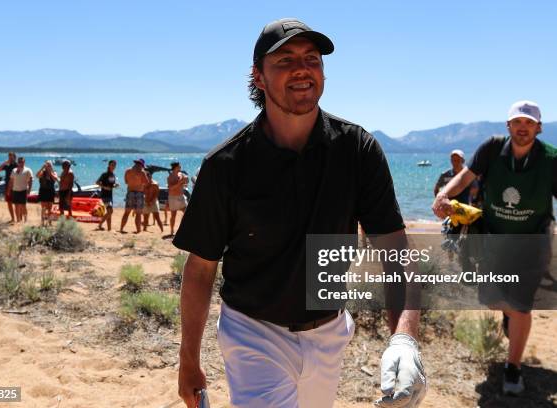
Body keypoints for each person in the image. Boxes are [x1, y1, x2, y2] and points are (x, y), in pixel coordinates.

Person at [174, 18, 425, 408]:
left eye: (312, 58)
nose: (302, 68)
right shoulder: (226, 164)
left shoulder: (357, 150)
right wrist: (188, 360)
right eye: (285, 60)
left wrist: (405, 339)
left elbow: (394, 250)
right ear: (258, 77)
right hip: (252, 332)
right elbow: (201, 268)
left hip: (330, 331)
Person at [432, 100, 555, 396]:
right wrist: (444, 196)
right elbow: (465, 176)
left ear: (538, 128)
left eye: (529, 123)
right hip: (493, 239)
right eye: (517, 122)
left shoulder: (551, 160)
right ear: (508, 125)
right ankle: (510, 316)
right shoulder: (491, 149)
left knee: (522, 306)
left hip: (532, 242)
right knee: (490, 299)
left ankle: (513, 369)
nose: (523, 128)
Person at [120, 158, 149, 234]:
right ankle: (138, 230)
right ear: (141, 165)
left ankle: (121, 228)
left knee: (127, 212)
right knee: (138, 213)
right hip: (139, 193)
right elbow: (146, 182)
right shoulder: (142, 172)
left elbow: (126, 182)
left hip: (130, 192)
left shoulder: (128, 171)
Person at [167, 161, 188, 236]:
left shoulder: (181, 174)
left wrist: (186, 180)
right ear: (175, 167)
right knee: (173, 215)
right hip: (173, 197)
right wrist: (180, 183)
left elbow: (185, 182)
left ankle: (184, 229)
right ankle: (172, 231)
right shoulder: (170, 177)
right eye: (179, 166)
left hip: (181, 196)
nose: (180, 167)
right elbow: (171, 188)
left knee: (187, 213)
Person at [96, 160, 118, 231]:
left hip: (110, 195)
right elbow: (97, 182)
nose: (113, 166)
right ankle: (100, 224)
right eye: (112, 165)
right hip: (104, 195)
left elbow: (112, 184)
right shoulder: (104, 174)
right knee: (110, 211)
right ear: (109, 165)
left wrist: (115, 185)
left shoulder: (113, 175)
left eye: (114, 165)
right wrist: (104, 187)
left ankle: (109, 229)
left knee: (109, 212)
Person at [9, 156, 33, 223]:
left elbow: (31, 180)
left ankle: (25, 220)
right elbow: (11, 180)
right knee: (16, 206)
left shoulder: (28, 170)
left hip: (23, 190)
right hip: (15, 190)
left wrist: (29, 190)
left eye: (22, 162)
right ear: (17, 162)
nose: (20, 163)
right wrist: (10, 189)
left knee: (23, 206)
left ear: (24, 162)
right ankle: (18, 220)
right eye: (19, 162)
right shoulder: (14, 170)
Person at [0, 152, 17, 222]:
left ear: (14, 157)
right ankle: (13, 218)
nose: (10, 158)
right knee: (9, 202)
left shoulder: (17, 165)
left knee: (17, 203)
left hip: (16, 186)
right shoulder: (7, 165)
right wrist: (4, 163)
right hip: (8, 186)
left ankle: (18, 218)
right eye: (9, 157)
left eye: (11, 157)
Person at [36, 160, 59, 226]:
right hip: (43, 191)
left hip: (50, 191)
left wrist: (50, 171)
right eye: (47, 165)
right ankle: (42, 222)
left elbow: (55, 179)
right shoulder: (42, 173)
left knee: (50, 208)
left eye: (49, 165)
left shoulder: (54, 173)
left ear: (51, 166)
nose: (48, 167)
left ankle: (49, 222)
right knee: (43, 208)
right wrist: (42, 168)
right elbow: (37, 175)